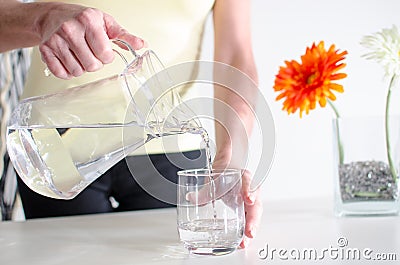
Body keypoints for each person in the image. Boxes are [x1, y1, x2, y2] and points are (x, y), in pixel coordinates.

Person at [0, 0, 262, 248]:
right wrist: (42, 18)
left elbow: (235, 57)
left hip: (171, 151)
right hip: (55, 145)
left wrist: (231, 157)